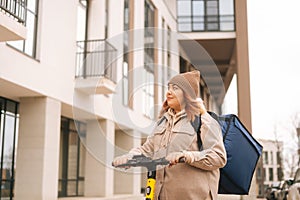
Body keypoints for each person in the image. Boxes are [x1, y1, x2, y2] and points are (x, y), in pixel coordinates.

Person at [113, 70, 227, 200]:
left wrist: (187, 156)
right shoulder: (163, 121)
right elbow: (147, 149)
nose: (168, 92)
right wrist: (130, 157)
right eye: (168, 88)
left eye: (175, 88)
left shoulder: (204, 120)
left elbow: (218, 157)